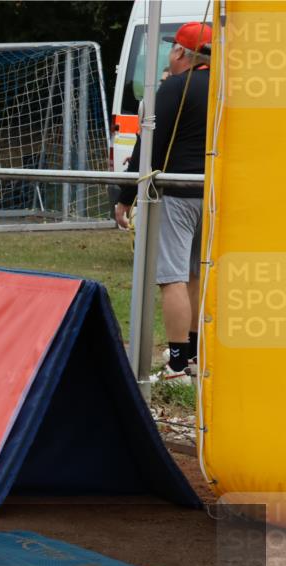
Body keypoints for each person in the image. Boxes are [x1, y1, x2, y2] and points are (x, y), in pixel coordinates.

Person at [114, 22, 211, 385]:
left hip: (177, 195)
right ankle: (195, 357)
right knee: (196, 274)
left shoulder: (175, 87)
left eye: (172, 48)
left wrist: (125, 198)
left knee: (171, 277)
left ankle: (176, 365)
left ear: (181, 52)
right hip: (213, 196)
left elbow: (149, 144)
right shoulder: (225, 87)